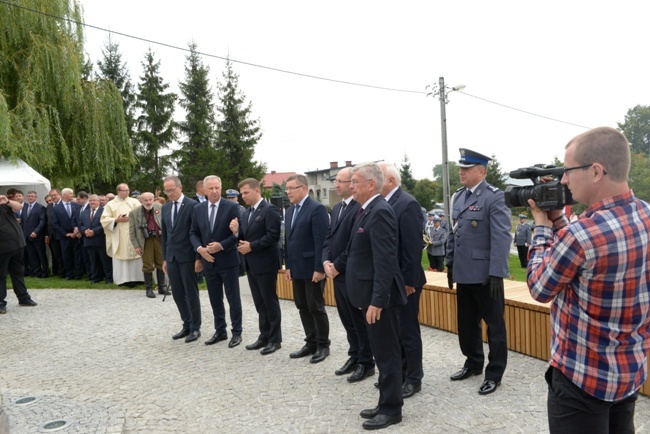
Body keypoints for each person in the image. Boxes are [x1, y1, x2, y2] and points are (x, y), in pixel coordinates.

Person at [527, 127, 650, 433]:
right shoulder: (646, 215)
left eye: (567, 170)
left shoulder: (580, 235)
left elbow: (540, 288)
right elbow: (584, 252)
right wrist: (558, 220)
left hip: (581, 380)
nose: (564, 180)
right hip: (628, 372)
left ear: (596, 171)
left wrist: (541, 224)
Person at [345, 162, 407, 430]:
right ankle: (384, 403)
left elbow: (385, 262)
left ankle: (392, 409)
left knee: (387, 354)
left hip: (378, 300)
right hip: (367, 296)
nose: (351, 186)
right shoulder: (365, 210)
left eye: (355, 181)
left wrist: (377, 301)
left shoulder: (380, 211)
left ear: (371, 184)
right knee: (381, 354)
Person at [446, 148, 511, 396]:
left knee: (495, 326)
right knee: (467, 324)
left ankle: (494, 373)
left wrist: (497, 273)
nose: (461, 172)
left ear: (481, 171)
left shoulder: (494, 197)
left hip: (486, 275)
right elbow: (454, 233)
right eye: (461, 168)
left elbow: (501, 237)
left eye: (466, 168)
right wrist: (450, 264)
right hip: (464, 272)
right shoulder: (459, 197)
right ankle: (473, 363)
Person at [379, 162, 427, 399]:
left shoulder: (407, 204)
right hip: (392, 279)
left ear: (390, 181)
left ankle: (414, 378)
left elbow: (412, 247)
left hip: (407, 281)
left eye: (379, 177)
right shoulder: (386, 203)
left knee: (408, 330)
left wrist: (409, 281)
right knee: (395, 331)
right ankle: (400, 373)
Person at [323, 167, 375, 382]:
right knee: (346, 320)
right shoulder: (337, 208)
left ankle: (366, 362)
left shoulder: (359, 208)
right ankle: (354, 355)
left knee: (358, 321)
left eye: (342, 181)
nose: (338, 185)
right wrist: (325, 261)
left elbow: (353, 246)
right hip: (336, 274)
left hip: (349, 273)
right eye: (337, 181)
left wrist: (337, 265)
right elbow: (329, 238)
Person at [230, 178, 283, 355]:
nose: (243, 196)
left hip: (266, 263)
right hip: (251, 265)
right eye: (242, 193)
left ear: (257, 191)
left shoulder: (270, 210)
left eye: (246, 192)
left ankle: (275, 339)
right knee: (259, 303)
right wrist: (236, 232)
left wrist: (252, 246)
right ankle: (264, 335)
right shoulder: (245, 213)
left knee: (270, 302)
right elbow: (244, 238)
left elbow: (273, 236)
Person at [189, 175, 243, 348]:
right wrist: (200, 250)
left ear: (221, 188)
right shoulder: (198, 209)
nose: (214, 191)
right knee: (215, 298)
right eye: (210, 188)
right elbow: (193, 233)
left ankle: (237, 332)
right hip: (209, 261)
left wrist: (221, 245)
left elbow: (238, 234)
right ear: (204, 190)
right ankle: (220, 330)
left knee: (233, 298)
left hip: (228, 260)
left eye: (217, 188)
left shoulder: (232, 207)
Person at [284, 174, 330, 364]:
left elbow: (321, 241)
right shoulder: (290, 211)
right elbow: (288, 240)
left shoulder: (316, 209)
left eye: (291, 188)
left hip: (313, 269)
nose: (288, 192)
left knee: (316, 307)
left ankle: (323, 344)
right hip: (297, 269)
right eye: (287, 189)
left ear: (303, 188)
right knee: (302, 305)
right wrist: (288, 266)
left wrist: (319, 268)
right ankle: (310, 342)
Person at [161, 176, 202, 343]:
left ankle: (195, 327)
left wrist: (198, 257)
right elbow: (165, 236)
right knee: (177, 293)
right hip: (172, 257)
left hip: (188, 257)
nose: (170, 193)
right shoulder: (165, 208)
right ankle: (186, 324)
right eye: (167, 190)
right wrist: (165, 258)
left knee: (191, 292)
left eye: (172, 190)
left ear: (180, 187)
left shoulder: (193, 206)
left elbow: (198, 233)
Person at [0, 194, 38, 314]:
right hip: (2, 247)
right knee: (1, 276)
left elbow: (18, 207)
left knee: (18, 273)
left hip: (17, 244)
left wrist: (7, 201)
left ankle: (23, 298)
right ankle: (1, 302)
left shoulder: (4, 204)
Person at [101, 184, 143, 287]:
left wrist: (131, 218)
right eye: (125, 190)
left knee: (136, 255)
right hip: (118, 234)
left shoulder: (135, 202)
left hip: (133, 233)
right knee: (121, 255)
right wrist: (116, 220)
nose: (127, 192)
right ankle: (123, 279)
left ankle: (138, 279)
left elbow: (142, 215)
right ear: (118, 191)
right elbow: (104, 219)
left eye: (128, 190)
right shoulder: (111, 204)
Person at [129, 192, 168, 298]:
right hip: (145, 241)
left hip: (160, 239)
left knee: (161, 263)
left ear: (153, 199)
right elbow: (132, 232)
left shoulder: (160, 207)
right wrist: (136, 246)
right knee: (147, 265)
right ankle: (149, 289)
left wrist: (161, 232)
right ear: (141, 201)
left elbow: (167, 223)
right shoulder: (134, 212)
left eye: (150, 199)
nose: (148, 202)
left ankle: (162, 287)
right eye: (145, 200)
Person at [78, 194, 113, 284]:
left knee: (105, 260)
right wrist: (85, 231)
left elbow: (104, 224)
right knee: (92, 260)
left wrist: (94, 231)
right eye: (90, 201)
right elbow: (80, 224)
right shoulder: (84, 213)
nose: (92, 202)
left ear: (98, 202)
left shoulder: (104, 211)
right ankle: (96, 277)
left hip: (100, 239)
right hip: (88, 240)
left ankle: (108, 278)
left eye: (94, 200)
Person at [51, 188, 83, 280]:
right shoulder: (56, 208)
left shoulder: (77, 206)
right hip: (64, 237)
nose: (72, 195)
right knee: (66, 256)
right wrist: (65, 234)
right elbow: (55, 224)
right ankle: (69, 274)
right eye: (70, 193)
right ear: (64, 194)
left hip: (76, 235)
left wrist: (76, 231)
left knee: (77, 255)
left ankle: (78, 274)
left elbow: (80, 220)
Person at [21, 190, 49, 278]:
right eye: (28, 196)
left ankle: (45, 272)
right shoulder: (24, 207)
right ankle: (36, 272)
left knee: (41, 255)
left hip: (37, 236)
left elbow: (42, 221)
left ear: (36, 197)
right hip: (27, 236)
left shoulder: (40, 207)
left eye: (32, 196)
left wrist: (36, 232)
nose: (30, 197)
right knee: (32, 255)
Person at [46, 188, 64, 278]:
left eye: (55, 195)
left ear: (59, 195)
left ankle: (66, 272)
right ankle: (59, 272)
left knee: (64, 254)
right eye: (51, 196)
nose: (53, 197)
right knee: (56, 254)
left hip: (63, 234)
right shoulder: (49, 206)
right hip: (52, 235)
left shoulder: (64, 204)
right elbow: (47, 221)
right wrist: (47, 235)